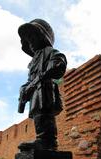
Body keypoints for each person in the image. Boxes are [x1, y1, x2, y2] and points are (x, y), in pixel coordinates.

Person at [18, 19, 67, 151]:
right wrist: (24, 89)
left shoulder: (50, 51)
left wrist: (44, 74)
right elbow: (30, 79)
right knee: (37, 114)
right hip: (35, 91)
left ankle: (48, 141)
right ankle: (41, 139)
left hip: (45, 89)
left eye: (32, 37)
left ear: (42, 37)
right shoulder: (33, 62)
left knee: (44, 112)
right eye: (28, 40)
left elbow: (59, 63)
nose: (30, 42)